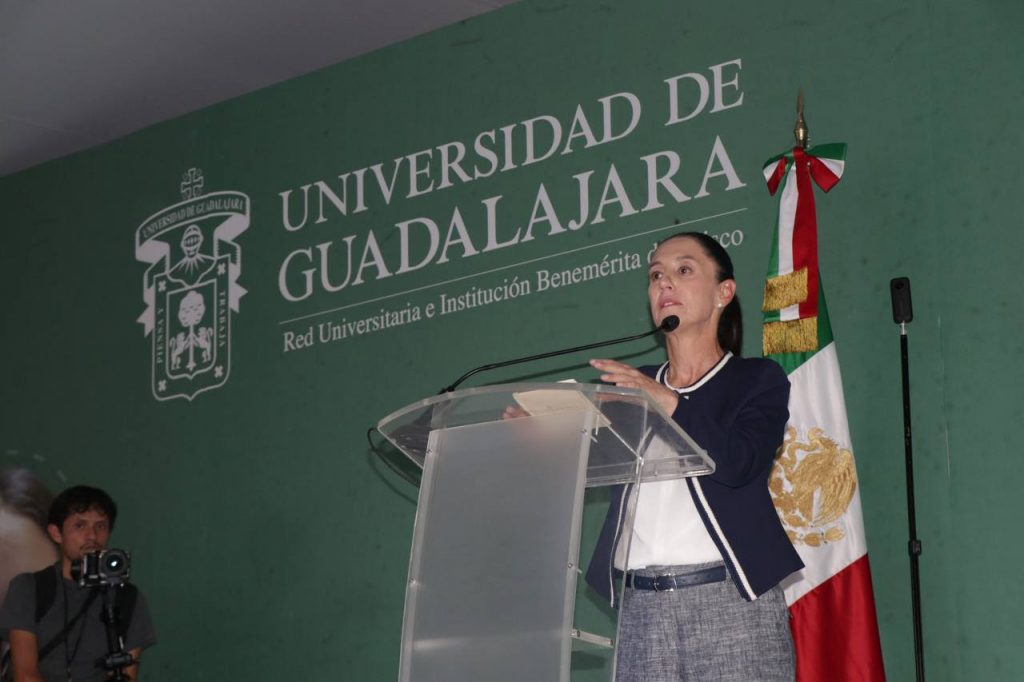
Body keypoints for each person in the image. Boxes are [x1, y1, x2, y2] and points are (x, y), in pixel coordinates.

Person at [585, 232, 803, 681]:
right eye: (655, 276)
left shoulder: (756, 380)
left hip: (731, 604)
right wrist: (543, 439)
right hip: (641, 610)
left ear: (724, 292)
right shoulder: (630, 387)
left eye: (683, 270)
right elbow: (589, 462)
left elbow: (739, 464)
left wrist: (668, 401)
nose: (664, 283)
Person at [0, 486, 157, 682]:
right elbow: (25, 675)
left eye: (101, 526)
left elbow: (127, 675)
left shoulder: (128, 598)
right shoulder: (28, 588)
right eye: (80, 526)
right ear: (56, 533)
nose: (92, 536)